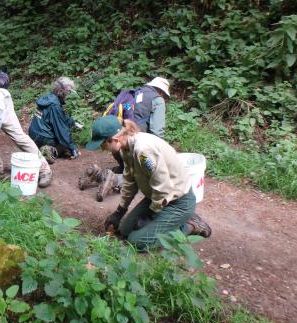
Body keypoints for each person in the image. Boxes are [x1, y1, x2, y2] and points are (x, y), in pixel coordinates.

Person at [85, 116, 211, 251]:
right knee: (125, 230)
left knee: (137, 242)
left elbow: (163, 185)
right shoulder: (126, 148)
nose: (103, 149)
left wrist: (151, 214)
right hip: (156, 197)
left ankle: (189, 225)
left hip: (177, 201)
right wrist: (119, 212)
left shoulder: (143, 152)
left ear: (114, 139)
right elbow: (129, 181)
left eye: (103, 145)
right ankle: (169, 221)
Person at [79, 77, 171, 201]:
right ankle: (116, 179)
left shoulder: (135, 92)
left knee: (133, 164)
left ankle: (100, 174)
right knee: (149, 174)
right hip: (136, 139)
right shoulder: (157, 99)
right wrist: (158, 153)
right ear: (161, 92)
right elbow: (157, 131)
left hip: (118, 135)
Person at [28, 77, 81, 164]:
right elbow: (61, 129)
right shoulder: (54, 105)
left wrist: (73, 123)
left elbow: (62, 117)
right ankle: (49, 152)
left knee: (63, 140)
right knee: (64, 144)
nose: (69, 94)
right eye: (69, 92)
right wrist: (72, 148)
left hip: (33, 133)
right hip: (43, 136)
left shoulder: (49, 98)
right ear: (64, 92)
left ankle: (37, 148)